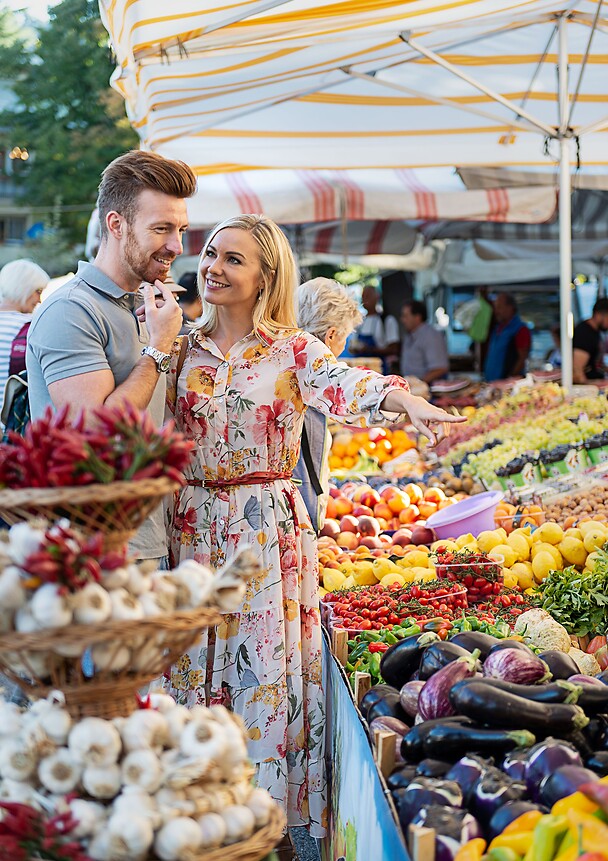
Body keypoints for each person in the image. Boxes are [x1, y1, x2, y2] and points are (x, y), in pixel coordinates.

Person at [163, 214, 465, 835]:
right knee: (189, 672)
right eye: (211, 253)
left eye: (234, 259)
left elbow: (346, 384)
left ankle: (266, 827)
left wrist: (406, 401)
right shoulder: (175, 346)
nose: (213, 266)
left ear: (266, 276)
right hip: (190, 527)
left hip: (266, 533)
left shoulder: (294, 349)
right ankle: (192, 820)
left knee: (265, 680)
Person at [26, 149, 197, 562]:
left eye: (180, 229)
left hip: (148, 539)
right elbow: (95, 431)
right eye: (161, 229)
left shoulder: (145, 303)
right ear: (116, 225)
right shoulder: (71, 310)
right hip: (91, 551)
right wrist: (158, 348)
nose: (176, 245)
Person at [293, 277, 363, 533]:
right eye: (345, 337)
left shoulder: (278, 355)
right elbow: (358, 399)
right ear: (331, 334)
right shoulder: (313, 371)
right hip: (296, 510)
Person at [0, 259, 49, 422]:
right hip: (12, 426)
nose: (39, 299)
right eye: (38, 291)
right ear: (24, 287)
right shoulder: (33, 327)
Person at [350, 284, 400, 371]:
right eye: (363, 297)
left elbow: (394, 349)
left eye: (368, 296)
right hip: (360, 371)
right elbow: (352, 346)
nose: (365, 299)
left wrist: (369, 349)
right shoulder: (359, 321)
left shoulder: (387, 320)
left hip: (379, 370)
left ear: (377, 297)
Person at [483, 293, 531, 382]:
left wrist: (510, 378)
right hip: (491, 383)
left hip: (507, 386)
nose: (496, 311)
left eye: (499, 307)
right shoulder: (497, 328)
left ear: (510, 308)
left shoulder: (520, 329)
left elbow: (522, 358)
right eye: (495, 307)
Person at [399, 299, 449, 384]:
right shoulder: (409, 336)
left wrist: (419, 384)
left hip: (428, 389)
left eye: (406, 316)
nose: (403, 320)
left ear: (417, 317)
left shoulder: (431, 336)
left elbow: (440, 368)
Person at [573, 298, 608, 383]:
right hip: (588, 387)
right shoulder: (585, 333)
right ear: (599, 315)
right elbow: (578, 370)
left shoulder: (595, 332)